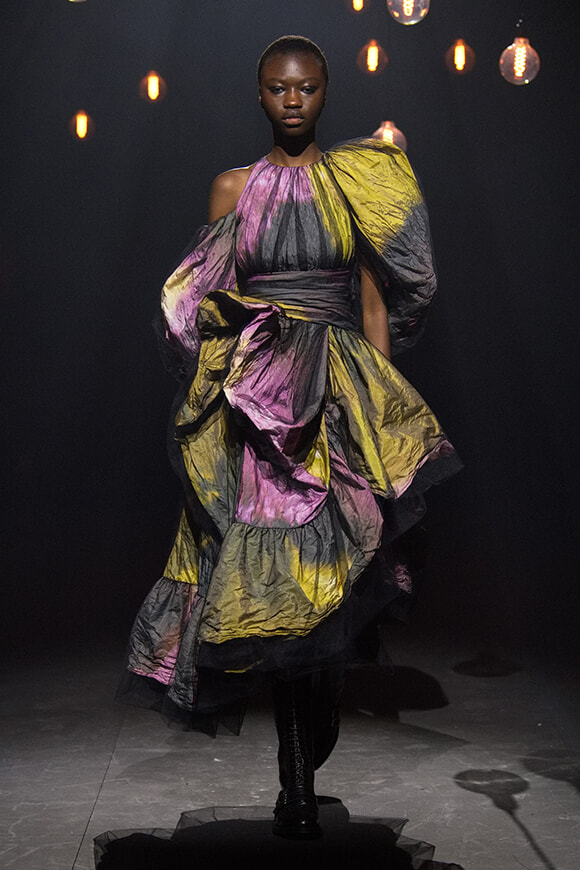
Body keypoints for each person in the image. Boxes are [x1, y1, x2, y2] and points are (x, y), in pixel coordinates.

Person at [118, 35, 461, 840]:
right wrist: (221, 392)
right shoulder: (233, 188)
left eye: (306, 87)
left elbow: (372, 302)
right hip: (264, 408)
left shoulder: (351, 183)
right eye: (279, 88)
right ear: (261, 95)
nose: (294, 99)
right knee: (274, 588)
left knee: (340, 572)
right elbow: (209, 300)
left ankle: (323, 710)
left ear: (325, 92)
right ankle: (296, 782)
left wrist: (381, 409)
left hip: (339, 395)